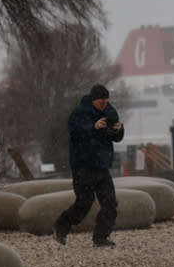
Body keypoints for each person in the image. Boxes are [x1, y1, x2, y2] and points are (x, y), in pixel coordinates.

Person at [53, 84, 124, 247]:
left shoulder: (110, 113)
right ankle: (60, 227)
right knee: (84, 202)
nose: (104, 105)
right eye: (101, 103)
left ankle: (101, 237)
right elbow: (74, 133)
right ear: (93, 100)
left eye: (106, 102)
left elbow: (116, 138)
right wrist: (93, 127)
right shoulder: (79, 112)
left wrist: (119, 130)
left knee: (110, 203)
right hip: (82, 165)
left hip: (102, 165)